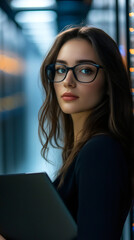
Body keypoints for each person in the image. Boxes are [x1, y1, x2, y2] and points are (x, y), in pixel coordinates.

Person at [0, 26, 133, 239]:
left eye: (85, 70)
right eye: (61, 69)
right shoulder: (85, 147)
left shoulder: (100, 152)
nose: (68, 82)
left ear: (109, 82)